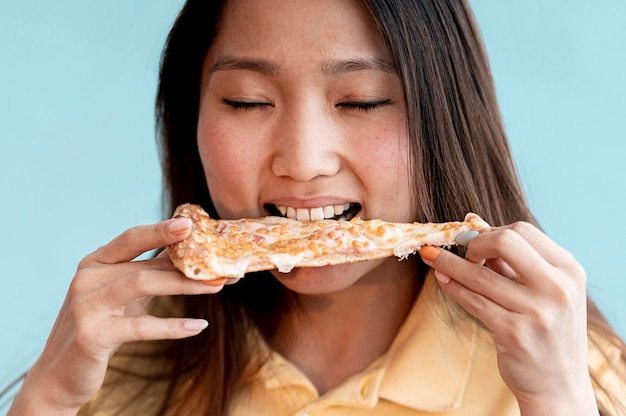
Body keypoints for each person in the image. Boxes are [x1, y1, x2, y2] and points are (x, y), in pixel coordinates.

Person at [8, 0, 626, 414]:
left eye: (362, 102)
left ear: (447, 119)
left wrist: (559, 402)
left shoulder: (577, 378)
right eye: (248, 102)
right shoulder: (114, 368)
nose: (303, 161)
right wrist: (46, 400)